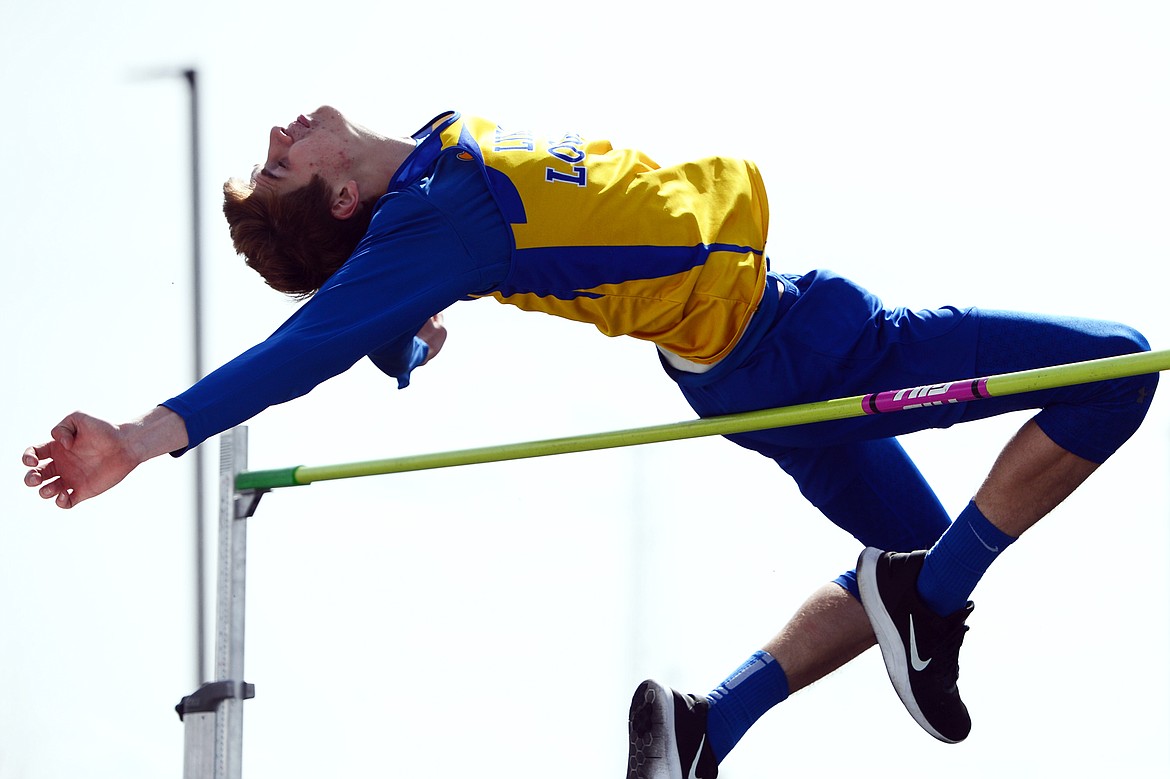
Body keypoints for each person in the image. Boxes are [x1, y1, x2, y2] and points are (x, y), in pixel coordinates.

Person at [22, 107, 1157, 778]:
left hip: (744, 361)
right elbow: (310, 339)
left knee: (917, 549)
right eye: (280, 160)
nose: (280, 131)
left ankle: (710, 724)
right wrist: (142, 433)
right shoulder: (436, 217)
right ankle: (925, 601)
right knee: (1116, 366)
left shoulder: (427, 174)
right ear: (329, 197)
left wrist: (404, 332)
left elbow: (373, 295)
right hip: (798, 342)